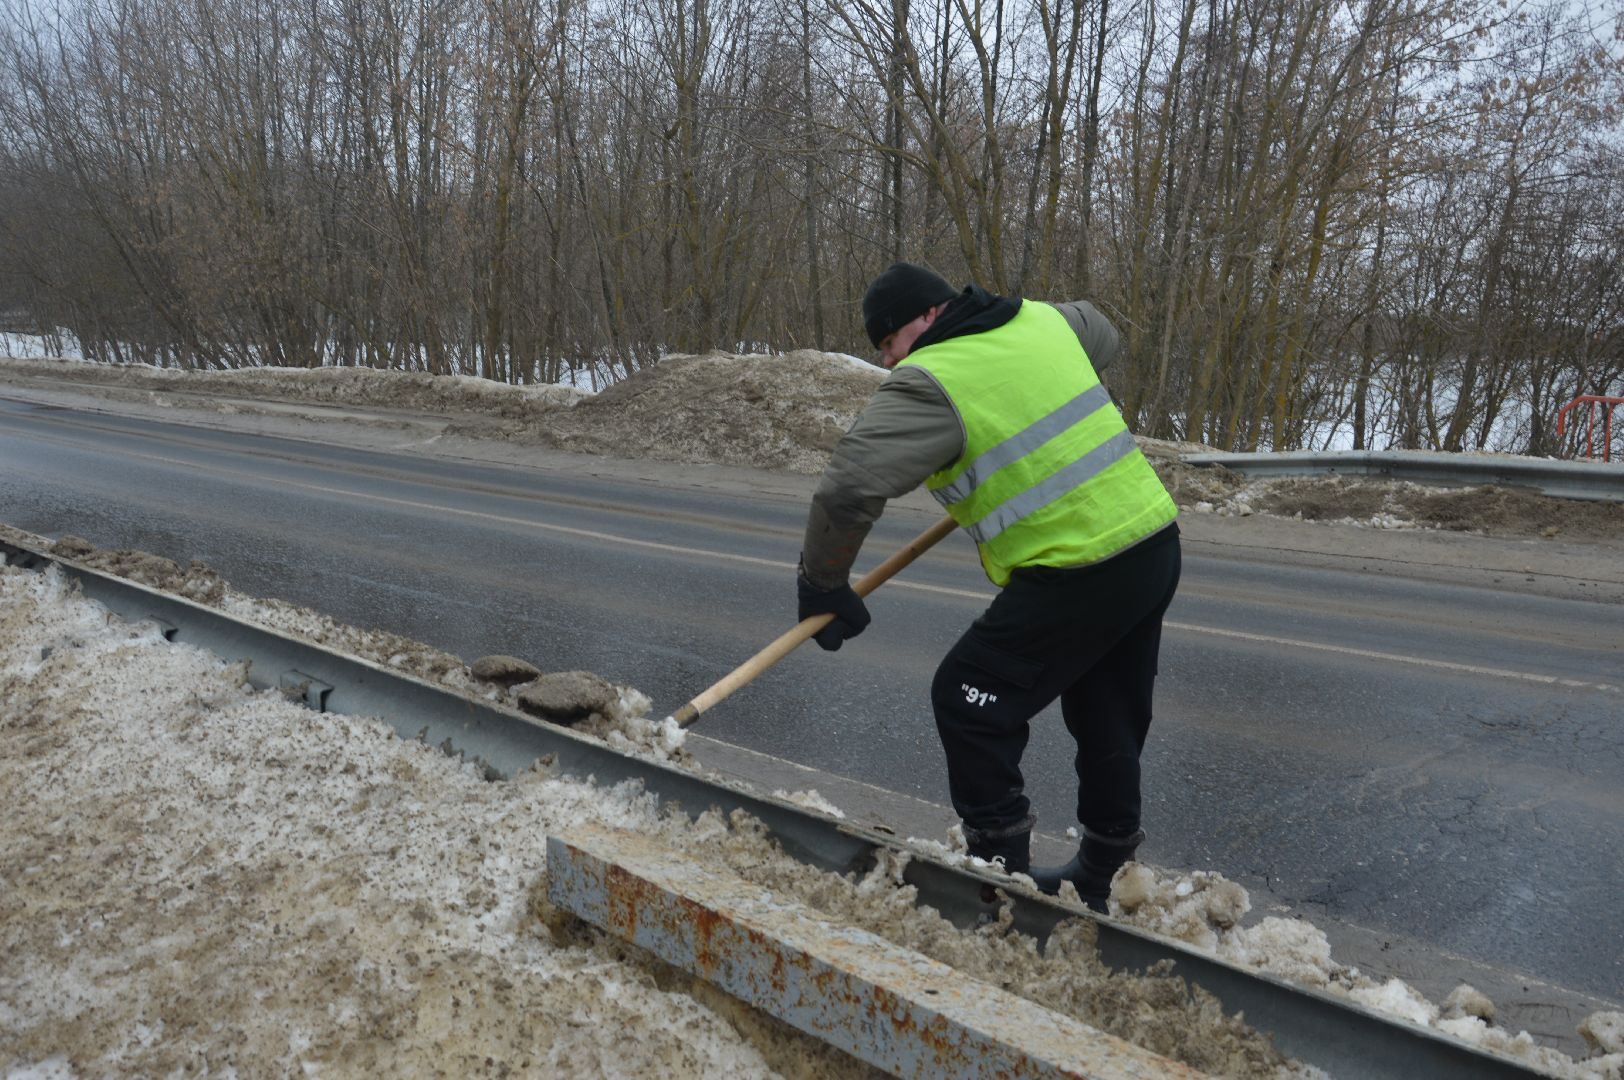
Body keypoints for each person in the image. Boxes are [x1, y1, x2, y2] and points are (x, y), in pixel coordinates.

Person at [795, 260, 1181, 911]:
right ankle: (1110, 878)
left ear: (922, 322)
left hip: (1077, 567)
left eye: (887, 345)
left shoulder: (930, 380)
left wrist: (822, 583)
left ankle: (999, 881)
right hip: (1150, 545)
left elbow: (849, 486)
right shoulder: (1044, 320)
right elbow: (1103, 332)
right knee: (1107, 706)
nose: (889, 363)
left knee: (970, 699)